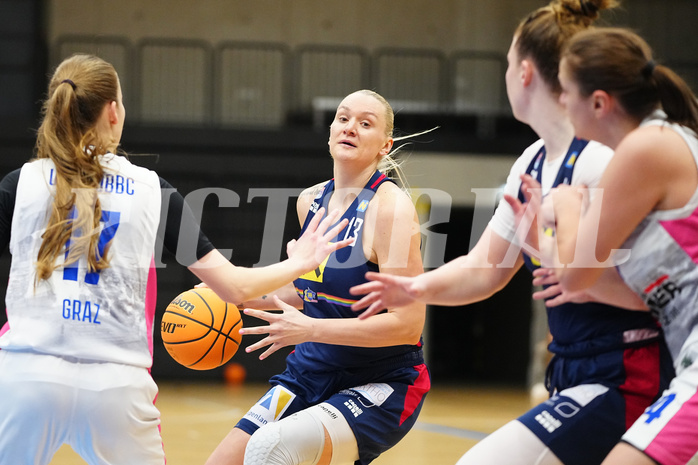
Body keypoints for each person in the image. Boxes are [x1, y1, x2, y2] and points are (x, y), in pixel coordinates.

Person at [350, 2, 675, 465]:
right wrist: (414, 287)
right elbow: (485, 268)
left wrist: (557, 259)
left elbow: (648, 290)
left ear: (524, 73)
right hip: (576, 369)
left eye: (506, 64)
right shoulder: (534, 160)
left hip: (629, 371)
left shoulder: (601, 160)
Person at [0, 54, 352, 465]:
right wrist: (302, 261)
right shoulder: (152, 190)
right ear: (114, 111)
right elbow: (235, 288)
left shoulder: (19, 184)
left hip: (27, 376)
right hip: (117, 386)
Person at [204, 89, 429, 465]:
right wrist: (231, 294)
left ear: (384, 146)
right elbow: (306, 290)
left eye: (365, 123)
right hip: (310, 373)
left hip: (381, 381)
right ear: (330, 132)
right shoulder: (310, 201)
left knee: (270, 450)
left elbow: (407, 325)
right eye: (343, 118)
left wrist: (310, 329)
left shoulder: (390, 209)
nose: (350, 127)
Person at [516, 27, 698, 465]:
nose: (560, 101)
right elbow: (582, 278)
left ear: (598, 102)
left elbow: (577, 275)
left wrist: (565, 208)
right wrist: (549, 239)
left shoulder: (644, 149)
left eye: (566, 91)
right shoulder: (659, 143)